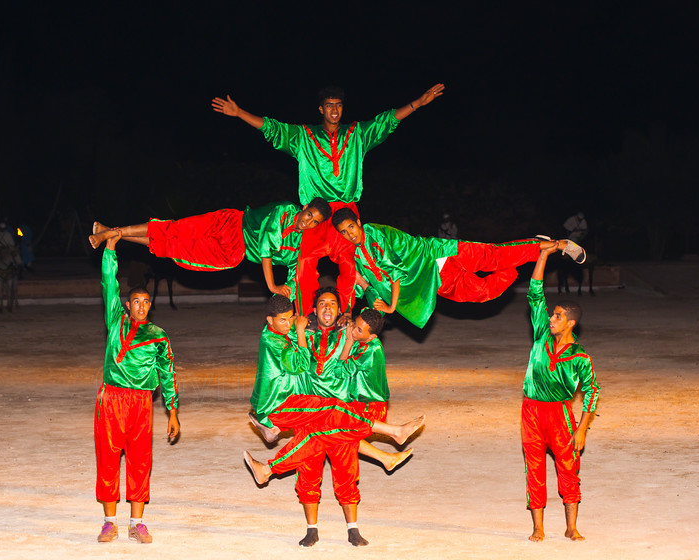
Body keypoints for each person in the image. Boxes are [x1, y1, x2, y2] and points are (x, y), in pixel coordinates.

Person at [212, 84, 445, 315]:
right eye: (329, 105)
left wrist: (418, 103)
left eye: (339, 105)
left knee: (349, 267)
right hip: (316, 213)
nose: (334, 109)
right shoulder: (304, 137)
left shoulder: (357, 135)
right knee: (304, 267)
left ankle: (344, 316)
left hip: (345, 214)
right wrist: (239, 112)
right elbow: (273, 128)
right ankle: (305, 318)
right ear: (321, 109)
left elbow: (385, 122)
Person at [245, 294, 422, 547]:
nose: (327, 307)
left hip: (341, 416)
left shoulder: (349, 335)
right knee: (308, 473)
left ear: (341, 311)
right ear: (313, 311)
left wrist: (351, 332)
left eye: (332, 303)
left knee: (346, 472)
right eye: (321, 303)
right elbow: (280, 328)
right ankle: (311, 528)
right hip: (309, 412)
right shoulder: (297, 334)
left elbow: (368, 334)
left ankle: (353, 528)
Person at [331, 208, 586, 328]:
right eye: (344, 232)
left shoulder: (376, 234)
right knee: (482, 292)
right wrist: (355, 299)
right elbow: (370, 292)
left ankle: (558, 244)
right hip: (434, 280)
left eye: (351, 227)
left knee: (492, 256)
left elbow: (395, 273)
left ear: (359, 222)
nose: (350, 234)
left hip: (440, 253)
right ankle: (531, 249)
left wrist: (391, 306)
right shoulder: (355, 258)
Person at [89, 198, 331, 312]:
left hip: (234, 252)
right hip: (230, 224)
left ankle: (111, 234)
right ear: (305, 207)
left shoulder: (300, 244)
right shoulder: (284, 210)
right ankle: (112, 232)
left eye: (314, 223)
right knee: (174, 229)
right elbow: (267, 249)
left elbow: (295, 270)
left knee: (174, 248)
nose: (307, 222)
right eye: (309, 215)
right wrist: (273, 286)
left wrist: (288, 291)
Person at [94, 231, 180, 544]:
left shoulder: (158, 335)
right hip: (112, 400)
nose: (141, 306)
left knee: (140, 460)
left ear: (150, 306)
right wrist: (111, 248)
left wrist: (173, 412)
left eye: (146, 302)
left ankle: (137, 522)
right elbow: (108, 282)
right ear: (128, 305)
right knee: (107, 458)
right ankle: (108, 521)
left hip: (142, 403)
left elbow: (168, 373)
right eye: (137, 302)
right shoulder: (115, 318)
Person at [520, 241, 600, 542]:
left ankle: (571, 527)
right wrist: (543, 255)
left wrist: (581, 430)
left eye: (557, 317)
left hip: (561, 414)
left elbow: (592, 390)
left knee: (568, 468)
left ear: (571, 322)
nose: (551, 319)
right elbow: (534, 293)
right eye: (551, 315)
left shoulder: (580, 356)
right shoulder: (542, 333)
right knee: (535, 469)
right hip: (531, 410)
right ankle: (538, 527)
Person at [0, 222, 22, 312]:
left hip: (7, 248)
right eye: (1, 229)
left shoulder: (8, 234)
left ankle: (18, 267)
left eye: (3, 229)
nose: (2, 230)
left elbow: (12, 243)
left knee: (15, 256)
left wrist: (9, 247)